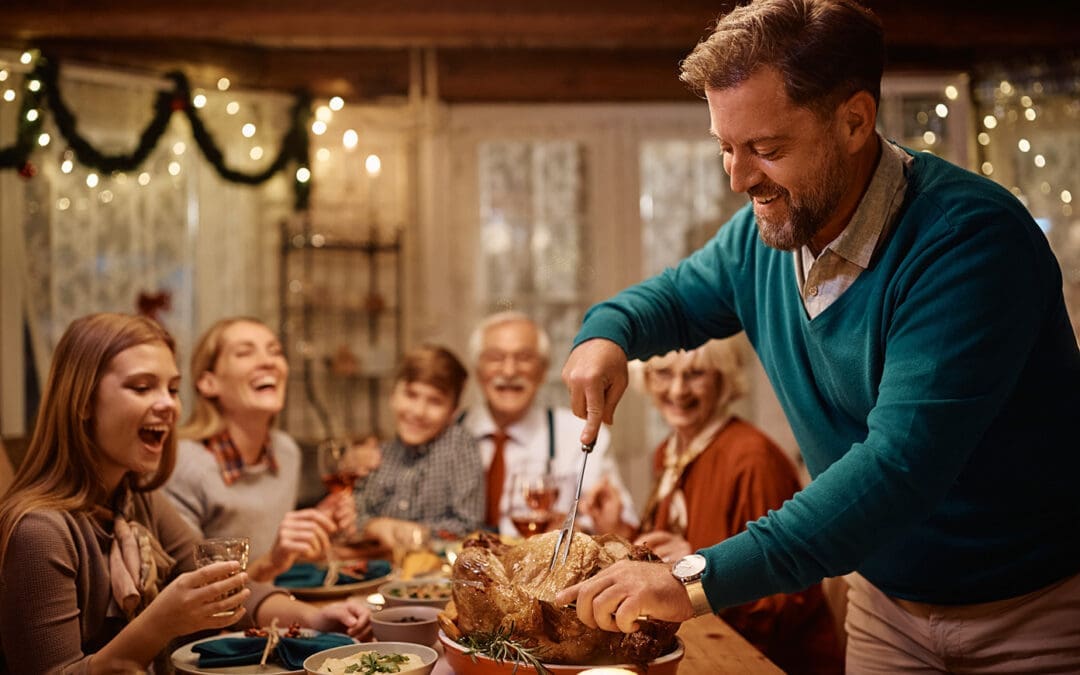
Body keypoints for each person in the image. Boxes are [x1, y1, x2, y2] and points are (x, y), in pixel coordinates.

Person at [555, 0, 1080, 671]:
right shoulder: (764, 234)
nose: (741, 178)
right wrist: (606, 334)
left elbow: (894, 471)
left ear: (855, 120)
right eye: (726, 148)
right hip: (889, 607)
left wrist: (690, 578)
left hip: (1030, 612)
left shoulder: (967, 242)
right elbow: (669, 300)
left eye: (767, 149)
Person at [0, 313, 371, 674]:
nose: (168, 405)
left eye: (173, 389)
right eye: (142, 387)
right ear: (82, 402)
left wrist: (315, 616)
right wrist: (162, 621)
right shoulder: (38, 531)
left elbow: (228, 587)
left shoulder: (137, 499)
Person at [584, 338, 842, 674]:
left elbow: (787, 594)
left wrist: (699, 573)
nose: (678, 390)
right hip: (705, 641)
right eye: (664, 373)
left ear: (723, 379)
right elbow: (668, 562)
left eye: (695, 374)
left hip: (768, 661)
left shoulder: (752, 458)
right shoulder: (670, 451)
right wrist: (620, 530)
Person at [163, 317, 370, 582]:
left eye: (275, 351)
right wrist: (272, 562)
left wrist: (318, 525)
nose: (268, 362)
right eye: (245, 353)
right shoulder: (183, 464)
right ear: (208, 382)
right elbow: (196, 595)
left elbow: (271, 559)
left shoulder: (286, 452)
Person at [460, 311, 637, 536]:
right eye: (495, 358)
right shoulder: (448, 432)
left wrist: (582, 529)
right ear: (477, 370)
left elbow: (621, 527)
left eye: (524, 358)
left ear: (543, 371)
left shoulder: (581, 434)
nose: (509, 371)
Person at [354, 344, 484, 549]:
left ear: (453, 412)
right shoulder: (379, 454)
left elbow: (468, 524)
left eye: (435, 401)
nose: (418, 411)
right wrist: (373, 526)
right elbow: (354, 514)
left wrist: (412, 532)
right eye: (411, 395)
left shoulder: (459, 447)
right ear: (393, 396)